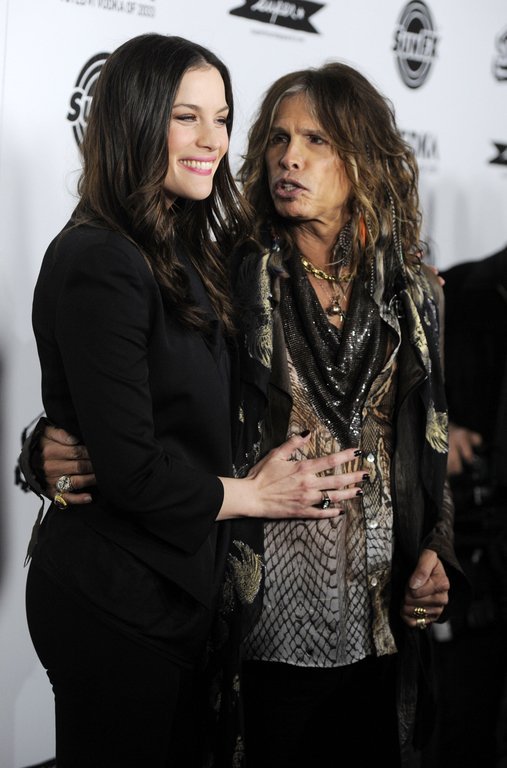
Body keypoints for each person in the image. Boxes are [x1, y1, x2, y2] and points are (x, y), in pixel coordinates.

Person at [23, 61, 468, 767]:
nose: (289, 157)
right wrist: (43, 449)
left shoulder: (416, 294)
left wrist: (436, 551)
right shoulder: (226, 273)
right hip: (259, 625)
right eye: (279, 139)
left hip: (381, 622)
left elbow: (426, 445)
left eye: (317, 140)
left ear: (365, 157)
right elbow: (146, 400)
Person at [422, 245, 507, 768]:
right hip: (475, 564)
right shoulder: (454, 293)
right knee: (462, 732)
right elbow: (402, 402)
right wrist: (438, 430)